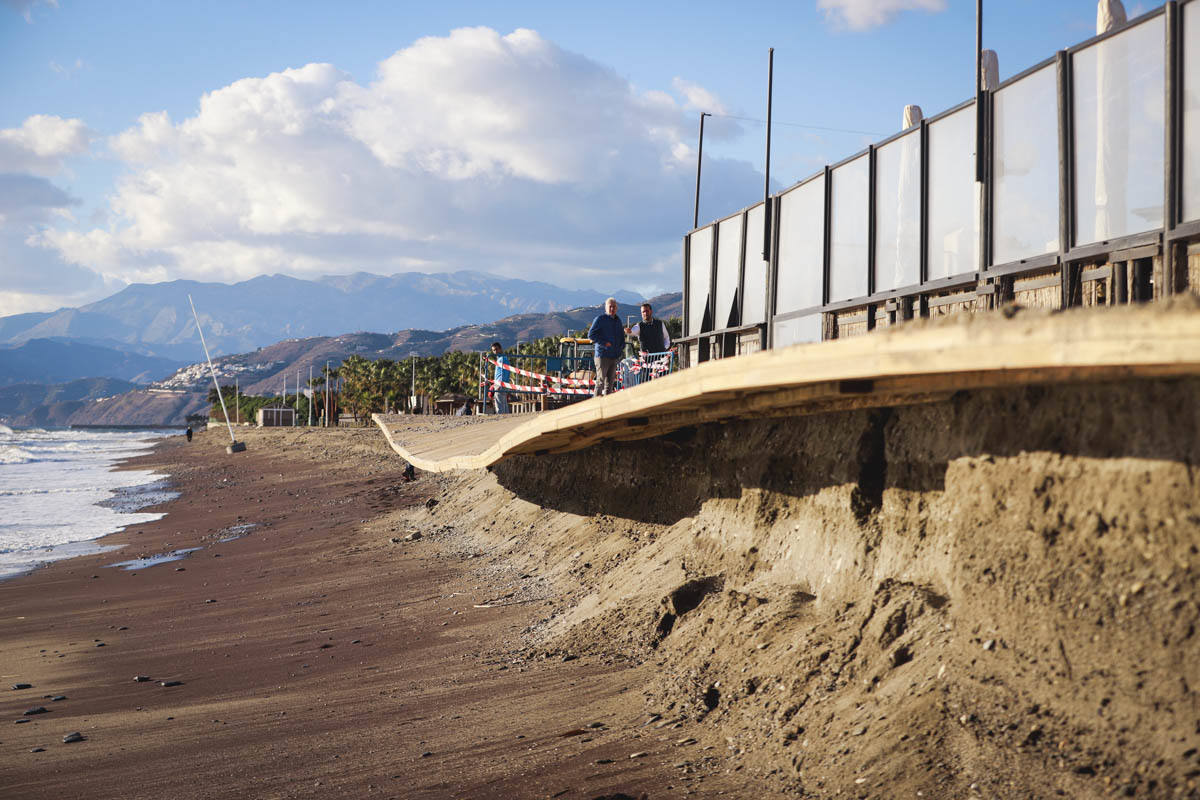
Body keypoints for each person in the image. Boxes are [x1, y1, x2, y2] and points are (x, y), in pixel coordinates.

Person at [587, 297, 625, 396]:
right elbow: (591, 335)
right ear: (606, 308)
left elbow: (621, 336)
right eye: (610, 306)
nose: (612, 309)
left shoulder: (618, 321)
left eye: (614, 307)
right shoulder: (600, 319)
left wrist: (621, 348)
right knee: (600, 383)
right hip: (602, 356)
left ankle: (609, 408)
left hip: (614, 357)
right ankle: (595, 406)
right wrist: (604, 343)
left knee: (610, 385)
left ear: (617, 308)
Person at [490, 341, 511, 414]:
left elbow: (503, 372)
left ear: (500, 349)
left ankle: (501, 420)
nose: (495, 352)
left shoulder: (502, 359)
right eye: (493, 350)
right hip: (502, 383)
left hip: (500, 384)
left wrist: (500, 383)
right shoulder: (502, 358)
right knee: (504, 404)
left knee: (499, 405)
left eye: (496, 349)